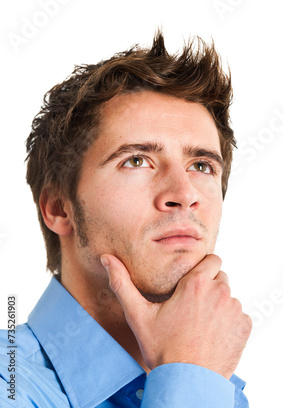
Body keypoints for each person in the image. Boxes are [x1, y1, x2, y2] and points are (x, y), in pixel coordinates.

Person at [0, 30, 252, 407]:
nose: (184, 195)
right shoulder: (11, 383)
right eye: (136, 160)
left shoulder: (217, 385)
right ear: (58, 208)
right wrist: (191, 376)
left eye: (201, 165)